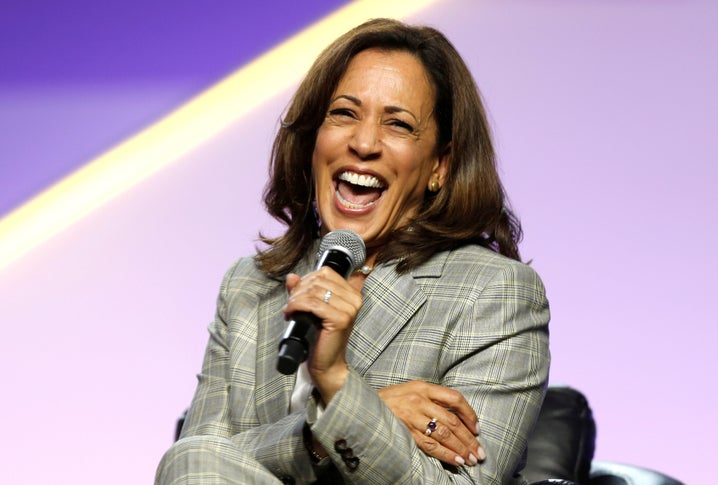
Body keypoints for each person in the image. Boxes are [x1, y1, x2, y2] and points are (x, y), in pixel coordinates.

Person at [156, 18, 550, 485]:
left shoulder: (496, 293)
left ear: (438, 168)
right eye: (343, 114)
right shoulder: (248, 286)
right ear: (312, 139)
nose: (363, 144)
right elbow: (200, 463)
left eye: (398, 124)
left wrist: (339, 383)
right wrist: (349, 417)